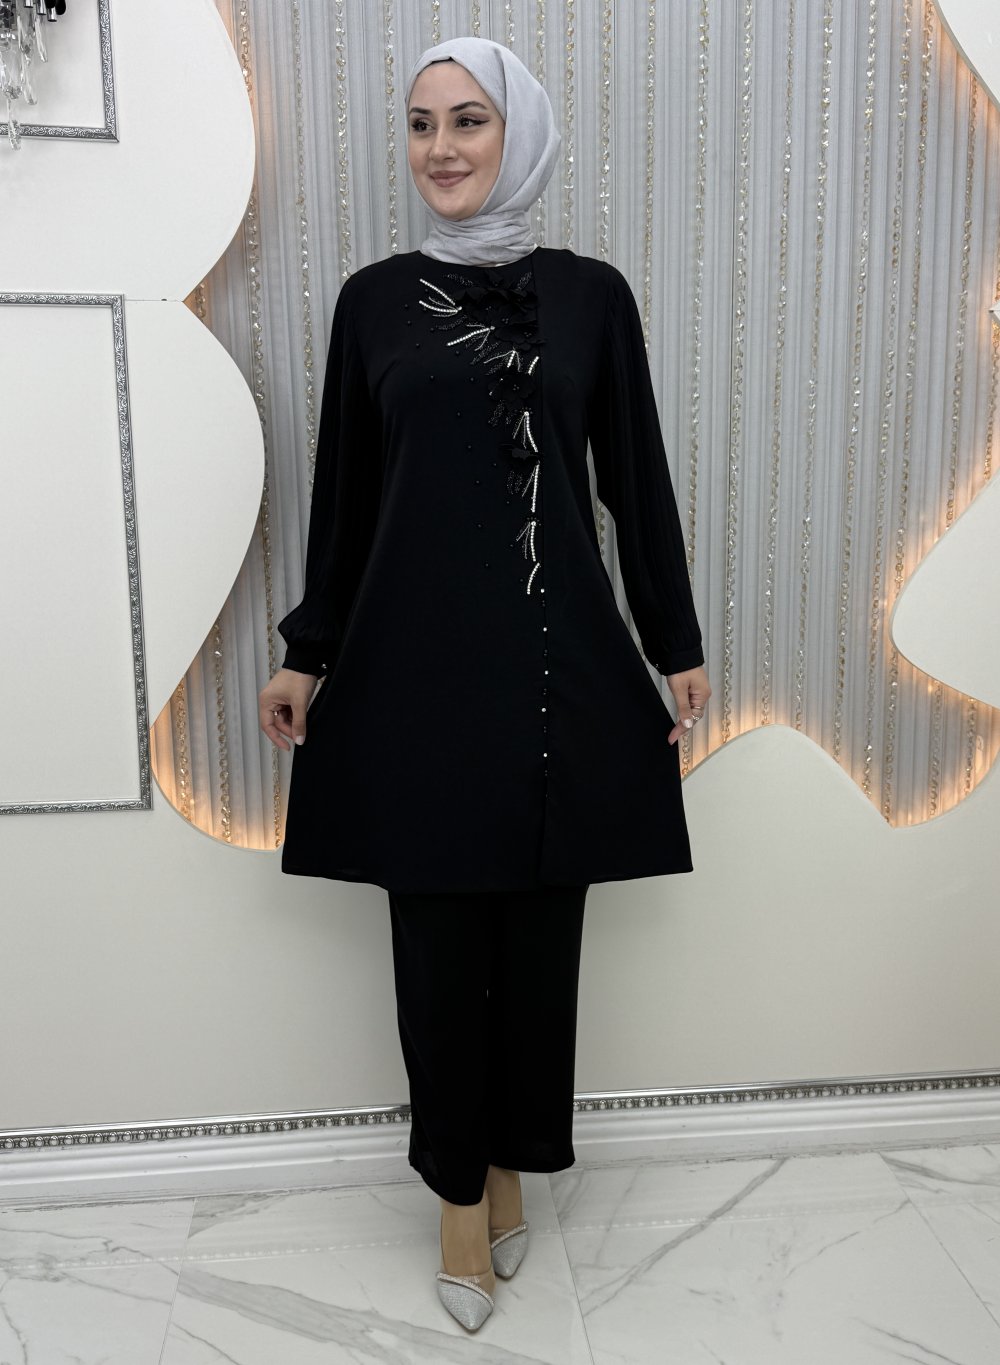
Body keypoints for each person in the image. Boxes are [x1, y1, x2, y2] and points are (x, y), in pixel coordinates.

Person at [258, 35, 711, 1334]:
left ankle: (514, 1161)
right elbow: (347, 495)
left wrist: (673, 640)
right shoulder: (372, 304)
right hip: (412, 678)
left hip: (555, 673)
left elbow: (633, 479)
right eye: (420, 124)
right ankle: (460, 1191)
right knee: (438, 950)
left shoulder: (590, 298)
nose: (442, 148)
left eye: (469, 120)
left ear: (519, 133)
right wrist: (308, 649)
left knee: (540, 949)